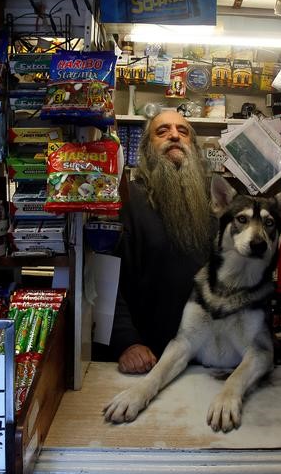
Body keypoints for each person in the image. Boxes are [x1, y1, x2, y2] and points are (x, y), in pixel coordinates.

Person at [110, 109, 216, 374]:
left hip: (207, 356)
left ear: (193, 145)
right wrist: (127, 342)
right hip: (149, 358)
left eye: (183, 131)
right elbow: (109, 279)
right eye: (162, 131)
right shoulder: (127, 201)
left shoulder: (216, 203)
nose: (174, 135)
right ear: (147, 148)